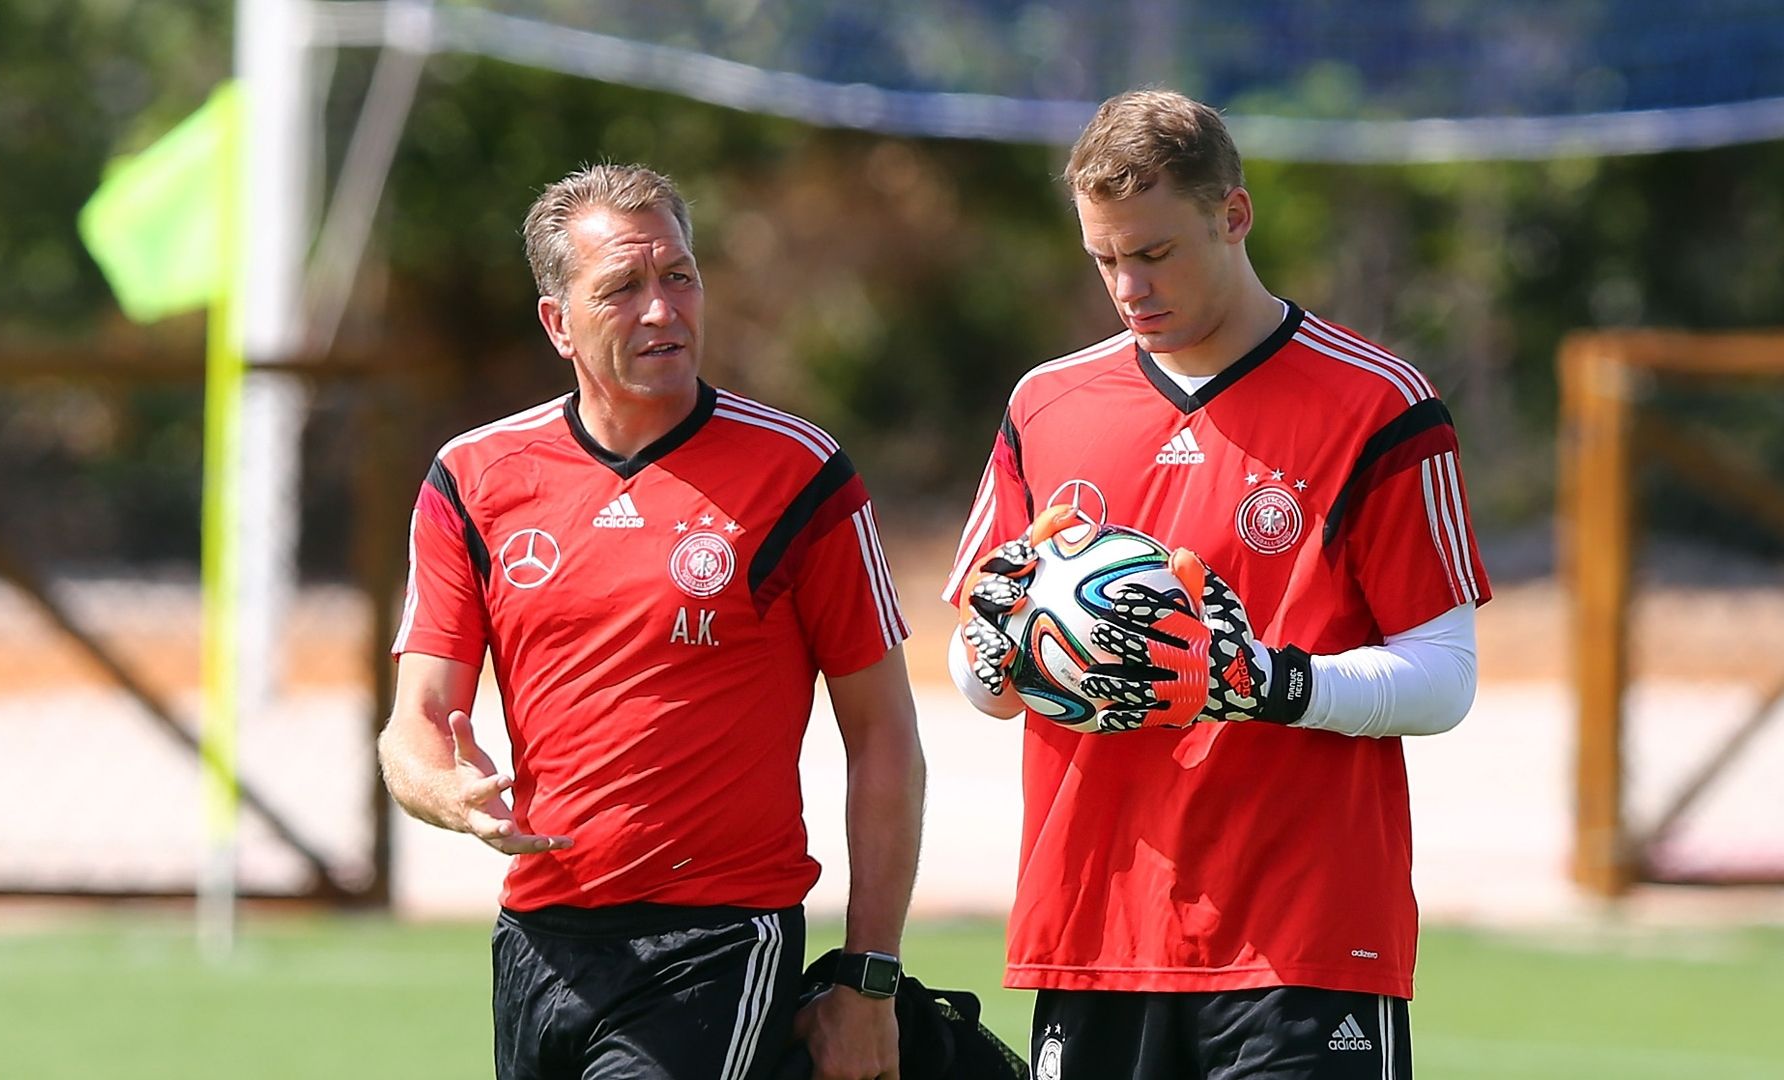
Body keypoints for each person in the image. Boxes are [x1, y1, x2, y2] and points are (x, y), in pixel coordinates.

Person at [945, 89, 1490, 1078]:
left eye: (1153, 255)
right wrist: (990, 645)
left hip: (1303, 939)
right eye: (1105, 259)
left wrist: (1267, 683)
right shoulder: (1046, 402)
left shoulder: (1378, 405)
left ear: (1233, 216)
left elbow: (1445, 676)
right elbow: (981, 686)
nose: (1128, 288)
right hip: (1092, 931)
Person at [379, 163, 926, 1080]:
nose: (663, 311)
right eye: (622, 288)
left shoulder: (801, 474)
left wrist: (868, 980)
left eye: (678, 276)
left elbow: (885, 737)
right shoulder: (472, 479)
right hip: (537, 939)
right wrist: (441, 791)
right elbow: (413, 725)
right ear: (559, 322)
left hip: (718, 939)